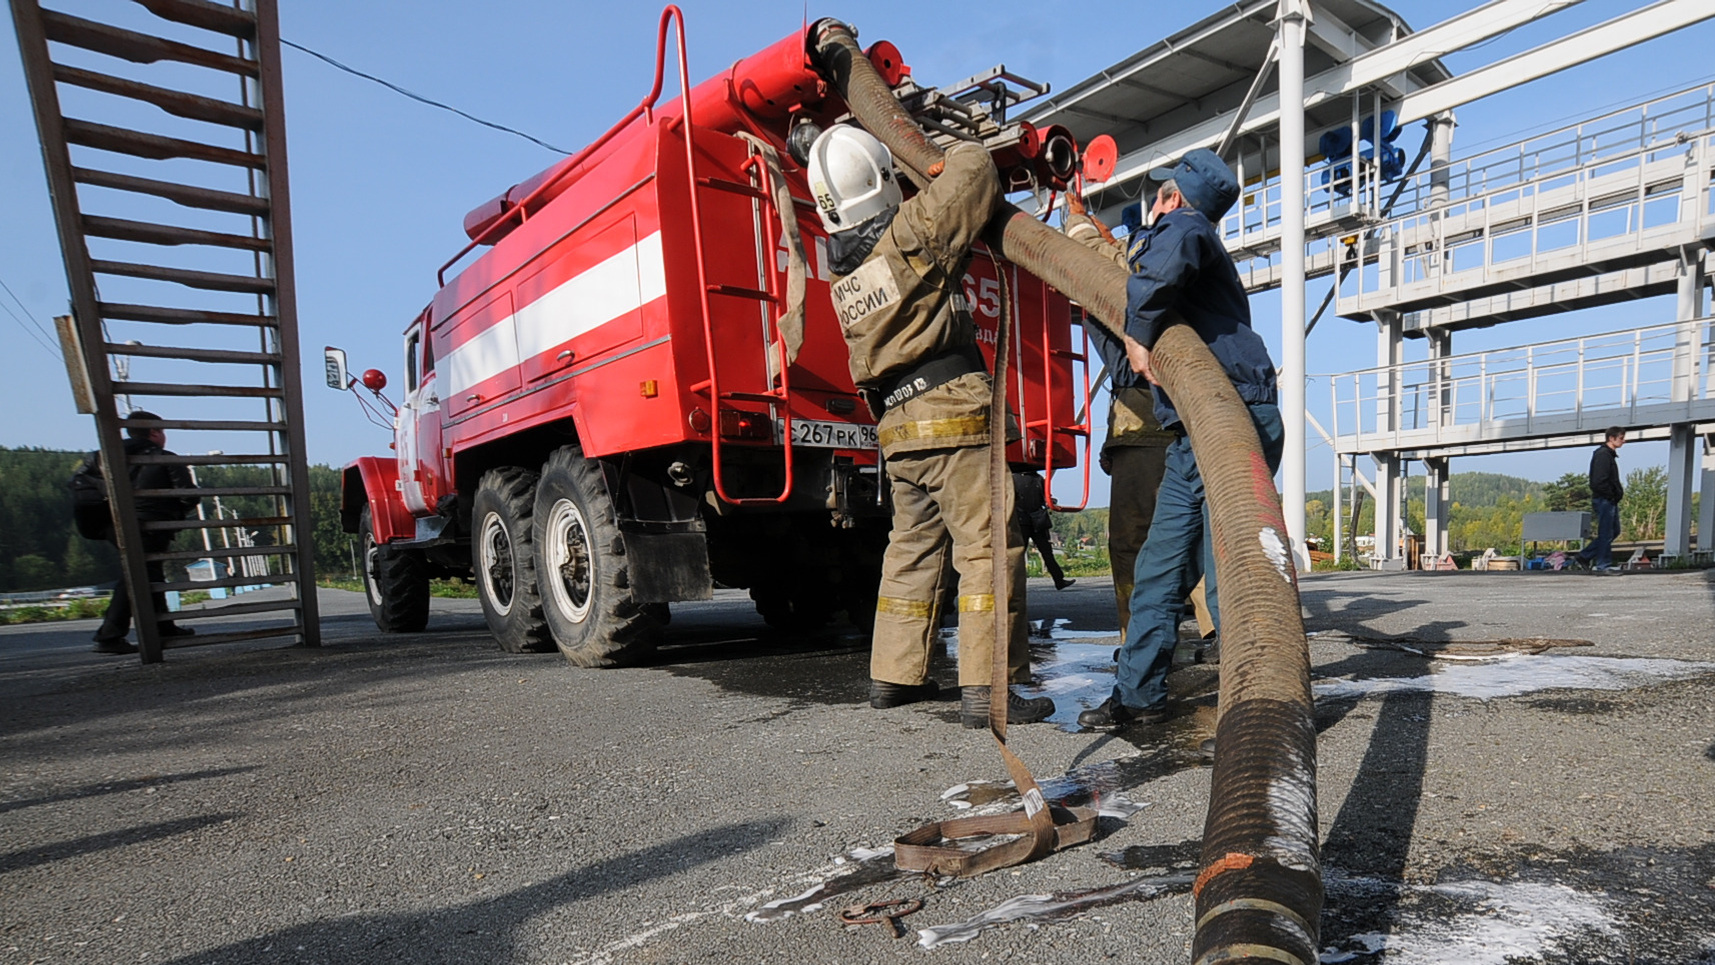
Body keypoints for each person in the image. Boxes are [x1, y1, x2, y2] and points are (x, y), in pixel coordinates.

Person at [807, 125, 1052, 728]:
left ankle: (894, 675)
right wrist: (944, 146)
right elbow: (976, 174)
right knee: (987, 547)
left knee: (912, 549)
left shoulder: (845, 276)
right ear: (882, 181)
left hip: (900, 432)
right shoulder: (910, 233)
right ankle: (991, 689)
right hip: (953, 417)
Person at [1078, 149, 1284, 730]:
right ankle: (1138, 697)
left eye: (1160, 200)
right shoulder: (1186, 269)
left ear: (1171, 197)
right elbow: (1125, 359)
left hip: (1230, 415)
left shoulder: (1185, 229)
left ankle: (1266, 700)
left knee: (1227, 569)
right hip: (1198, 428)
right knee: (1166, 565)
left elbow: (1172, 251)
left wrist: (1139, 331)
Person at [92, 411, 200, 653]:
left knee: (149, 574)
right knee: (135, 576)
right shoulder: (164, 458)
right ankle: (108, 635)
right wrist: (173, 514)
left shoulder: (104, 458)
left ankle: (164, 626)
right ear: (154, 432)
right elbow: (189, 495)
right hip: (152, 525)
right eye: (162, 431)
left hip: (113, 524)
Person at [1013, 469, 1074, 590]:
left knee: (1017, 554)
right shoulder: (1038, 479)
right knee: (1047, 553)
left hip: (1021, 521)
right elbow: (1046, 498)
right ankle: (1059, 580)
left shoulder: (1013, 479)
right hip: (1037, 521)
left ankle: (1013, 582)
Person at [1576, 427, 1626, 571]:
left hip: (1608, 499)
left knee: (1613, 531)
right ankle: (1603, 564)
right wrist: (1610, 495)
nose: (1624, 441)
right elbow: (1598, 481)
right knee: (1606, 532)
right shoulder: (1603, 455)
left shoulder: (1608, 455)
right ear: (1611, 438)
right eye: (1621, 438)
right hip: (1605, 500)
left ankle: (1585, 556)